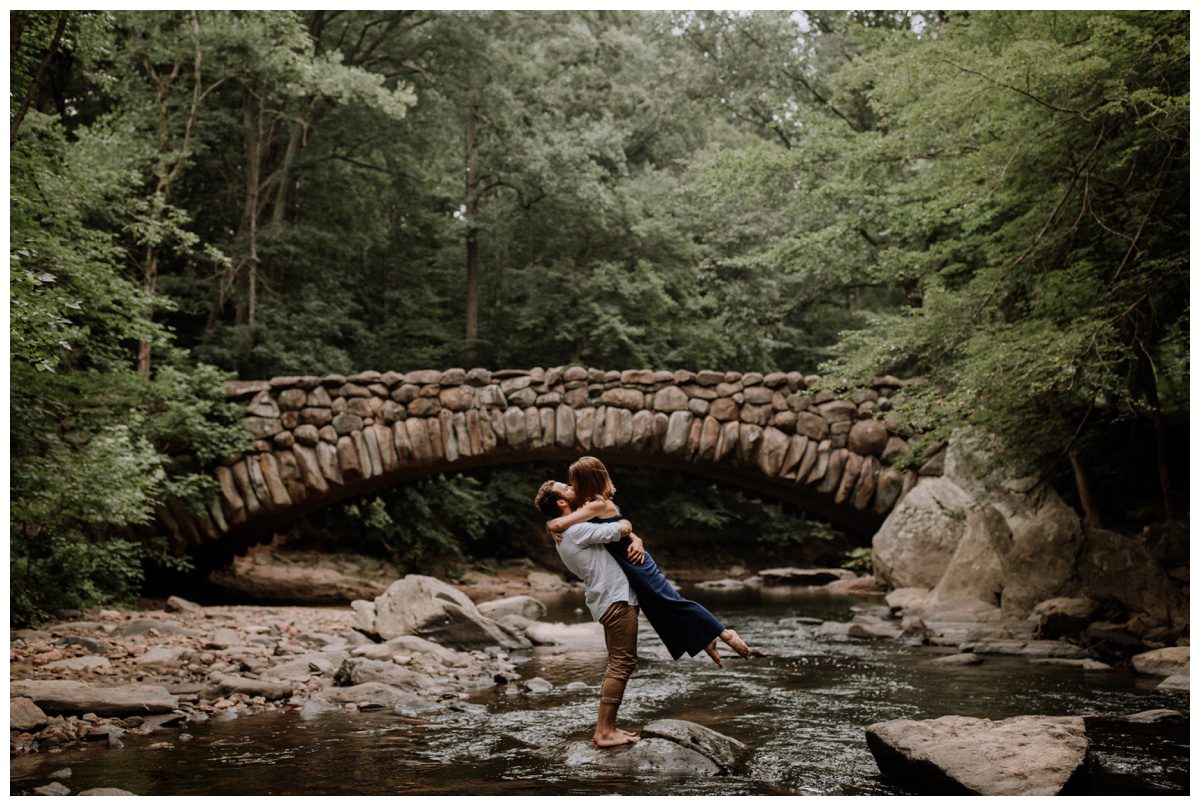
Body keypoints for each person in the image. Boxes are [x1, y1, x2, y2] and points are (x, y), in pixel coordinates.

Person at [545, 456, 751, 667]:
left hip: (636, 562)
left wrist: (551, 525)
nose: (571, 486)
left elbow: (562, 524)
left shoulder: (595, 505)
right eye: (569, 484)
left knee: (668, 599)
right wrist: (636, 538)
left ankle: (724, 633)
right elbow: (617, 527)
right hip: (627, 561)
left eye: (573, 482)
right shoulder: (589, 505)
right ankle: (705, 640)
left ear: (584, 481)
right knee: (655, 608)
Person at [533, 480, 645, 748]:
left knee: (618, 662)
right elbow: (623, 526)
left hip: (606, 600)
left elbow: (622, 530)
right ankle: (604, 731)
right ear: (562, 503)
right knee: (622, 663)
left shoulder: (568, 530)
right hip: (615, 599)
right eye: (565, 486)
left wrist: (635, 538)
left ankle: (607, 727)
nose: (573, 486)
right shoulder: (577, 530)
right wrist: (632, 533)